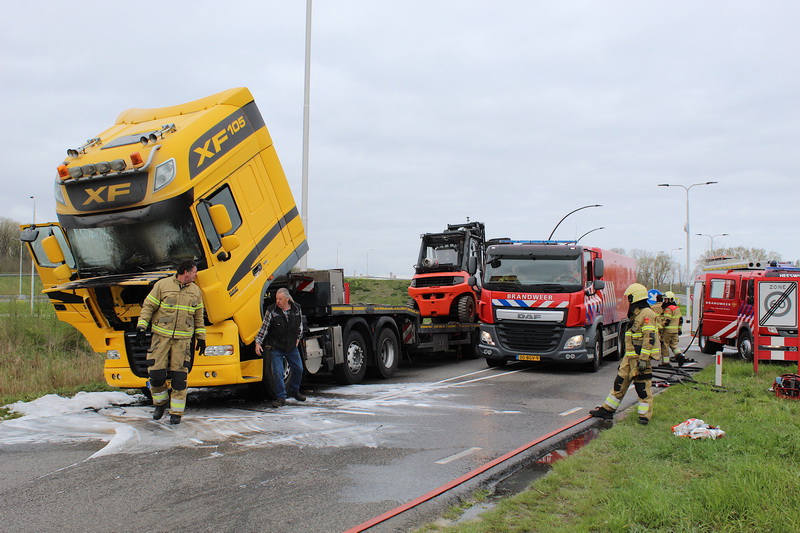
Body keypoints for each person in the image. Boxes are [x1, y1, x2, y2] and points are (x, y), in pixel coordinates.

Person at [137, 259, 206, 425]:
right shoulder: (162, 285)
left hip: (183, 340)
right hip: (161, 338)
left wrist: (201, 338)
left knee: (179, 377)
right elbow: (148, 307)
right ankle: (160, 404)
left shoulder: (196, 291)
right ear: (185, 272)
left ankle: (176, 412)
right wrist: (141, 327)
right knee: (156, 374)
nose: (196, 274)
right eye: (194, 271)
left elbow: (198, 317)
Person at [590, 283, 660, 425]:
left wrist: (644, 359)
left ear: (635, 297)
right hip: (630, 358)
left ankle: (644, 417)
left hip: (640, 360)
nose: (628, 300)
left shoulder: (647, 314)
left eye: (630, 297)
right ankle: (607, 410)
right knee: (619, 384)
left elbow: (649, 338)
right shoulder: (637, 314)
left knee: (642, 388)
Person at [255, 287, 306, 408]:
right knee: (278, 373)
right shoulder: (271, 311)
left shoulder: (296, 308)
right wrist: (258, 343)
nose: (277, 301)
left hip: (291, 346)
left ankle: (294, 391)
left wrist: (298, 337)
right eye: (276, 299)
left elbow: (300, 325)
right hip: (276, 346)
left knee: (299, 369)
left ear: (287, 299)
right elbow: (264, 328)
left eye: (280, 299)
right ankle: (281, 397)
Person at [661, 291, 686, 366]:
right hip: (675, 331)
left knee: (665, 345)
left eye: (666, 299)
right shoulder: (677, 308)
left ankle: (666, 362)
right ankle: (679, 355)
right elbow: (680, 320)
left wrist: (659, 326)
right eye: (664, 299)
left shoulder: (668, 309)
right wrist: (679, 329)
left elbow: (667, 320)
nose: (665, 301)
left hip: (668, 331)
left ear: (671, 299)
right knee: (674, 345)